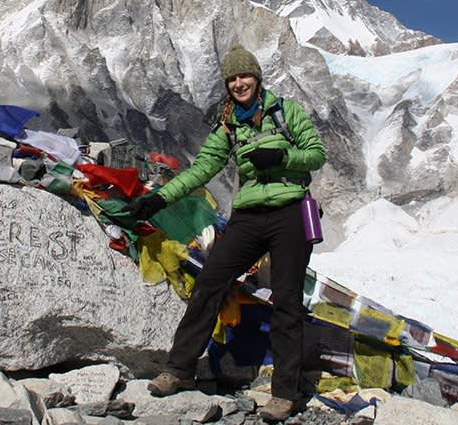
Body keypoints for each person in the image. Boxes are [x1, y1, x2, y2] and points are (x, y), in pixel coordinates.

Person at [129, 44, 326, 422]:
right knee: (210, 282)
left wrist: (283, 158)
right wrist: (159, 199)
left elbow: (316, 153)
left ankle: (284, 394)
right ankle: (179, 370)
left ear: (257, 77)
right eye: (232, 78)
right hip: (249, 215)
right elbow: (202, 169)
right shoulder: (228, 124)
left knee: (286, 300)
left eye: (244, 76)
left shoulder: (285, 111)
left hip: (290, 213)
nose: (239, 83)